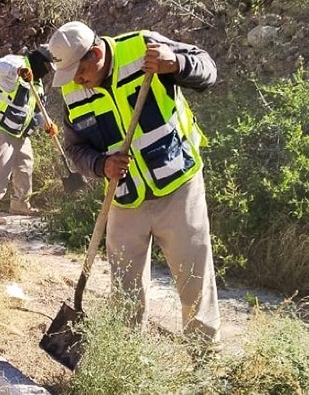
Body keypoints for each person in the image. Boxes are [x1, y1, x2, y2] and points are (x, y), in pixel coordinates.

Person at [48, 21, 221, 346]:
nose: (77, 82)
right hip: (125, 197)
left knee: (193, 280)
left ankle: (204, 359)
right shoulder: (73, 90)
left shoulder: (144, 49)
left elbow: (208, 69)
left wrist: (176, 64)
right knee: (125, 287)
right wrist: (101, 164)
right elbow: (75, 148)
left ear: (97, 54)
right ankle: (127, 358)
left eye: (80, 73)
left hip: (177, 187)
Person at [0, 46, 57, 225]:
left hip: (19, 131)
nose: (47, 71)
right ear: (39, 60)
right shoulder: (16, 62)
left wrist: (48, 124)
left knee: (25, 165)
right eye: (47, 66)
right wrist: (18, 71)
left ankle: (20, 203)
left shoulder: (37, 83)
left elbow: (36, 110)